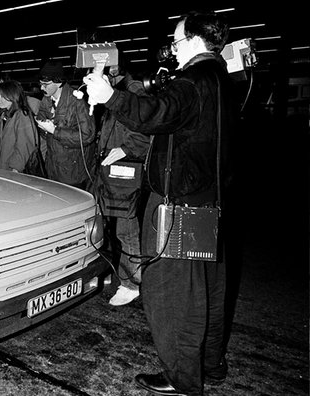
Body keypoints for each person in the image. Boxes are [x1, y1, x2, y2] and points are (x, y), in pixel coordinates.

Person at [84, 11, 234, 395]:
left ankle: (183, 379)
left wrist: (110, 97)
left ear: (196, 42)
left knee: (171, 296)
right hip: (210, 199)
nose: (173, 48)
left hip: (178, 205)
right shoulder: (224, 77)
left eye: (177, 40)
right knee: (207, 287)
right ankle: (210, 364)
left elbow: (155, 113)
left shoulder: (193, 81)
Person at [96, 64, 150, 307]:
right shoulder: (116, 90)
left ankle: (131, 284)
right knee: (108, 224)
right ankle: (116, 270)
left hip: (125, 167)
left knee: (126, 229)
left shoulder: (134, 91)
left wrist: (125, 149)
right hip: (111, 164)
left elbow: (145, 131)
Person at [35, 61, 97, 191]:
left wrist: (54, 130)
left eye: (45, 84)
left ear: (58, 82)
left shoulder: (77, 103)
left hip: (72, 172)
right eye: (40, 84)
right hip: (52, 168)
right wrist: (44, 129)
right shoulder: (46, 101)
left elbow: (87, 136)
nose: (41, 88)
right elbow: (43, 131)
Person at [0, 80, 37, 172]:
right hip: (1, 168)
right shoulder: (4, 116)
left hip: (11, 172)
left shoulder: (23, 116)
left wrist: (15, 169)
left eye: (2, 96)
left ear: (12, 97)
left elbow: (24, 146)